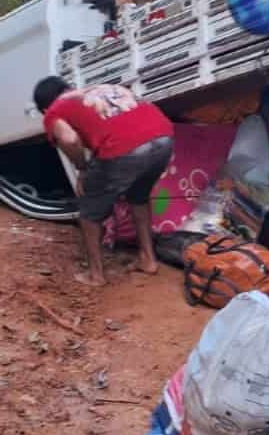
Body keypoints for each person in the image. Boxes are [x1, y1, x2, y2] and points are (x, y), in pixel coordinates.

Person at [33, 76, 174, 283]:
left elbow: (69, 139)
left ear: (44, 109)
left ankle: (96, 275)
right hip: (164, 137)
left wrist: (82, 168)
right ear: (68, 88)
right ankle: (148, 259)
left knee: (89, 213)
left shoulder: (54, 111)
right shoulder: (103, 88)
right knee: (138, 198)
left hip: (124, 148)